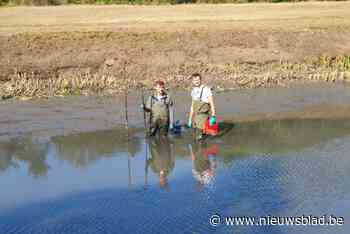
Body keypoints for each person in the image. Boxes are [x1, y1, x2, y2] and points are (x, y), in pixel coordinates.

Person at [187, 73, 216, 141]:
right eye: (194, 80)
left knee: (201, 136)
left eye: (198, 79)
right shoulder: (193, 91)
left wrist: (213, 115)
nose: (196, 81)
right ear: (192, 81)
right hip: (196, 116)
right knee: (197, 135)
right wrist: (190, 119)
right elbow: (192, 106)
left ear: (201, 80)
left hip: (203, 116)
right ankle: (201, 148)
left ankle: (201, 148)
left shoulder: (206, 90)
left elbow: (211, 103)